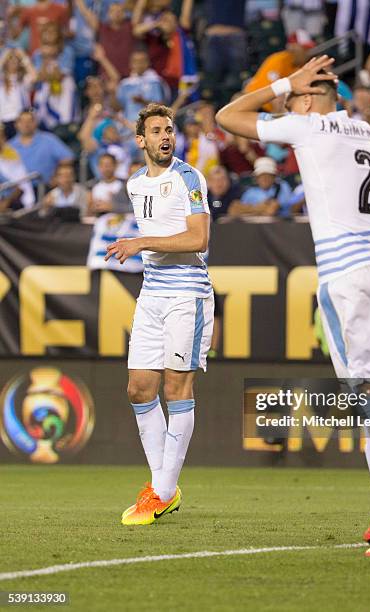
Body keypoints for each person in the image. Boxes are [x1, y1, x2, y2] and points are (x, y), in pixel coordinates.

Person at [216, 54, 370, 556]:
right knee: (365, 392)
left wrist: (281, 85)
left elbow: (227, 116)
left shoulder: (309, 127)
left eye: (296, 97)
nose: (289, 104)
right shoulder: (366, 131)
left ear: (310, 100)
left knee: (368, 399)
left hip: (348, 273)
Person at [105, 103, 214, 526]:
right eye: (156, 131)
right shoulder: (135, 184)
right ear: (141, 141)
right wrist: (142, 245)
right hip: (152, 295)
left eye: (169, 129)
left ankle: (163, 492)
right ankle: (162, 486)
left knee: (175, 386)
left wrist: (140, 243)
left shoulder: (188, 177)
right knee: (138, 388)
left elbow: (198, 238)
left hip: (188, 294)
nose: (165, 136)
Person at [228, 156, 293, 217]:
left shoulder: (282, 186)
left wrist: (248, 209)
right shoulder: (251, 191)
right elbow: (234, 210)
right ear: (256, 178)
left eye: (268, 175)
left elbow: (271, 210)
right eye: (261, 176)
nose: (264, 178)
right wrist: (258, 208)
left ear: (274, 177)